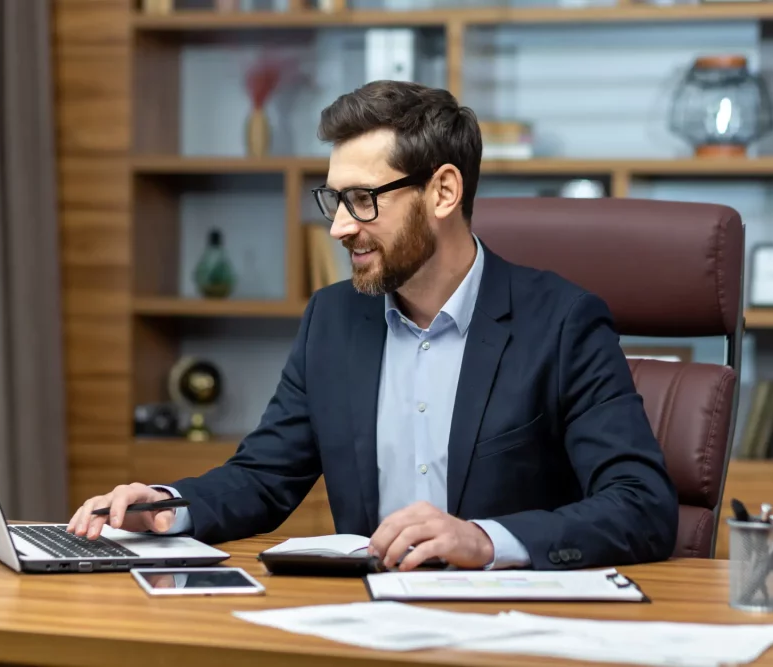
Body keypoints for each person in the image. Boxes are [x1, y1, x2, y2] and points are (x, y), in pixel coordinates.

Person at [67, 80, 679, 571]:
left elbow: (641, 507)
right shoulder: (333, 319)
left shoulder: (562, 322)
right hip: (364, 625)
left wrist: (484, 541)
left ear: (442, 192)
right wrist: (170, 508)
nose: (338, 228)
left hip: (510, 627)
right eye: (334, 200)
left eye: (364, 200)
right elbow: (264, 477)